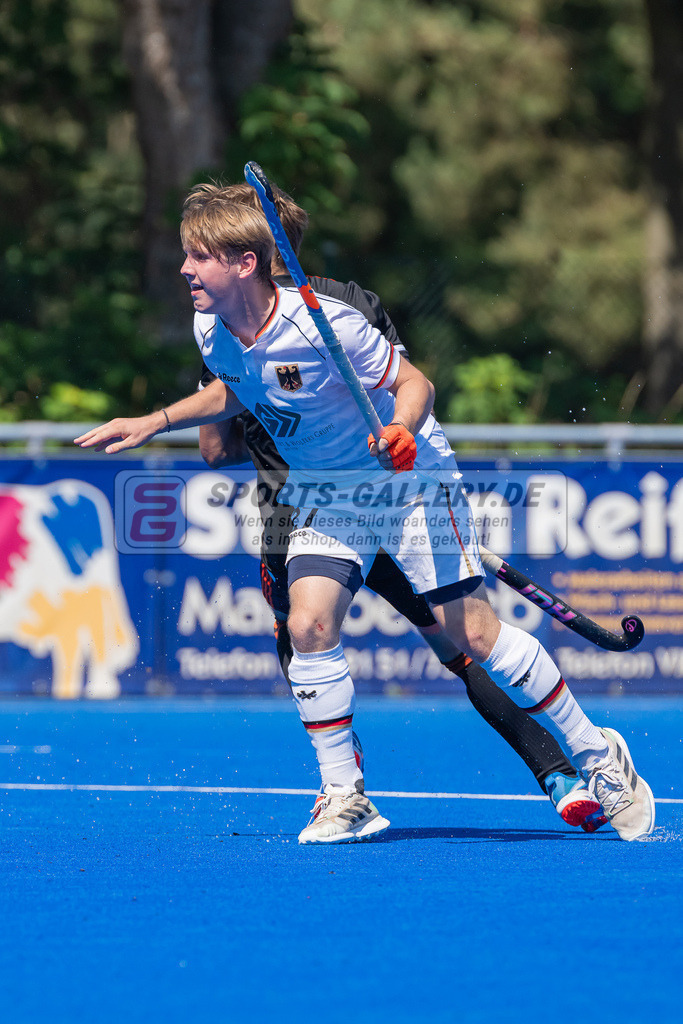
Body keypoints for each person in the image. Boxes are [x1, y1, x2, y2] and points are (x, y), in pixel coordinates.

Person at [75, 185, 656, 845]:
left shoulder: (328, 321)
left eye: (197, 257)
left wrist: (403, 427)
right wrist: (155, 420)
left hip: (407, 481)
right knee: (309, 622)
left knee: (475, 638)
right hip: (327, 491)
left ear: (243, 263)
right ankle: (346, 796)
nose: (184, 269)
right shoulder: (209, 327)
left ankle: (594, 753)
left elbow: (415, 384)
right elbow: (230, 393)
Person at [195, 182, 606, 834]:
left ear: (253, 252)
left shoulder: (329, 312)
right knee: (324, 635)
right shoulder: (231, 322)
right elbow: (220, 439)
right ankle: (355, 784)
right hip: (304, 512)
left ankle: (551, 767)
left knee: (451, 640)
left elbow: (397, 394)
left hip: (360, 499)